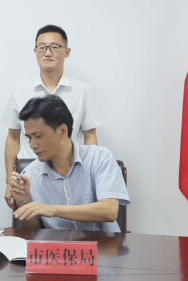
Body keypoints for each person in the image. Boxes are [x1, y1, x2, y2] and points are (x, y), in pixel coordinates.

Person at [2, 24, 106, 209]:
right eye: (42, 47)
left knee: (71, 220)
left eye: (55, 47)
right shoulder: (20, 90)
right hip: (29, 172)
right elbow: (13, 138)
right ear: (35, 52)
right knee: (29, 222)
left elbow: (90, 136)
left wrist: (89, 175)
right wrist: (9, 180)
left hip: (70, 171)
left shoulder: (83, 90)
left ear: (67, 52)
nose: (47, 53)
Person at [8, 94, 128, 231]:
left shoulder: (100, 158)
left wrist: (52, 210)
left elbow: (109, 211)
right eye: (29, 138)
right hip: (58, 245)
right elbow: (33, 233)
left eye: (38, 136)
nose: (32, 145)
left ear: (62, 131)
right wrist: (23, 203)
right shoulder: (30, 174)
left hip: (103, 243)